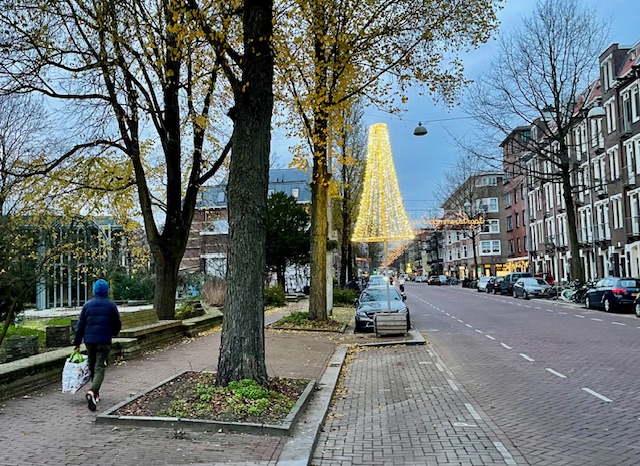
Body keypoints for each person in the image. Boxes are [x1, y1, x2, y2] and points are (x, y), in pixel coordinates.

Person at [74, 279, 121, 411]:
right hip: (104, 341)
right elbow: (117, 323)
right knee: (100, 367)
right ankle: (92, 391)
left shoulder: (87, 305)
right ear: (106, 291)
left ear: (95, 290)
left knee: (92, 365)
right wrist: (114, 333)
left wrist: (77, 343)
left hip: (89, 341)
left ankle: (96, 394)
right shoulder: (111, 305)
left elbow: (80, 326)